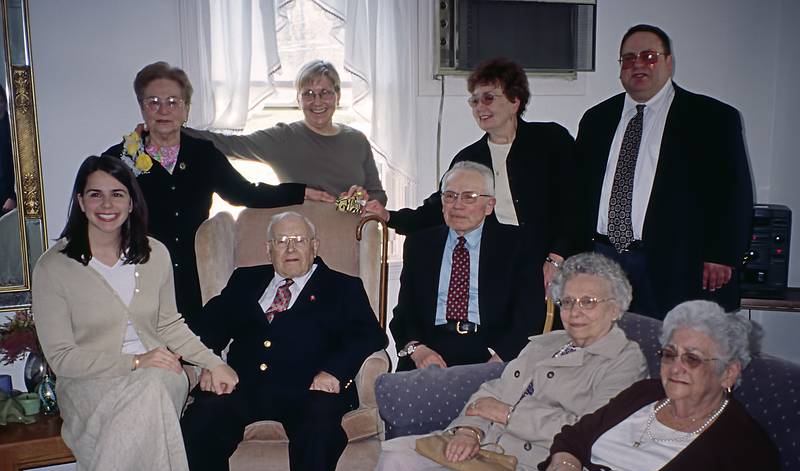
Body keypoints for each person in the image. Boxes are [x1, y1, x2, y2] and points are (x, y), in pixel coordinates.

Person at [438, 301, 778, 471]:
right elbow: (571, 438)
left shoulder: (745, 447)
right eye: (669, 354)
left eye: (692, 359)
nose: (676, 367)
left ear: (729, 373)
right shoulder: (644, 395)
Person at [365, 252, 649, 471]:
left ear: (615, 308)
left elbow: (589, 429)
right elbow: (492, 389)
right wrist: (469, 431)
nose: (575, 311)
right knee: (392, 459)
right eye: (568, 301)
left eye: (589, 302)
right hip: (486, 443)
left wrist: (510, 414)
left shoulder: (624, 361)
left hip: (533, 465)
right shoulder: (547, 343)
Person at [31, 155, 239, 471]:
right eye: (95, 194)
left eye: (117, 193)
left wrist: (213, 362)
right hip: (90, 381)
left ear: (131, 202)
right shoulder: (54, 266)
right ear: (80, 200)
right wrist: (136, 360)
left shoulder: (154, 254)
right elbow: (61, 358)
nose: (106, 203)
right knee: (148, 407)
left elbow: (169, 324)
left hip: (161, 372)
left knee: (153, 385)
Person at [181, 211, 387, 471]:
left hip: (309, 389)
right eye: (281, 241)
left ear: (314, 246)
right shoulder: (244, 280)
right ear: (269, 249)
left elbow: (370, 336)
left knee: (319, 429)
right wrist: (208, 362)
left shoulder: (342, 287)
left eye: (299, 240)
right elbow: (207, 327)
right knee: (200, 423)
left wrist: (334, 372)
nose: (290, 248)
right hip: (244, 386)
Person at [105, 61, 333, 323]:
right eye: (153, 102)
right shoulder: (120, 159)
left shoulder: (203, 154)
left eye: (173, 101)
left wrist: (302, 192)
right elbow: (100, 214)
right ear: (142, 108)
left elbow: (245, 193)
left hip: (194, 277)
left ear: (186, 109)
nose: (163, 110)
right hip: (141, 274)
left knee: (194, 344)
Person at [576, 24, 753, 319]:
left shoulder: (712, 118)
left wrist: (722, 255)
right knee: (609, 351)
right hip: (603, 258)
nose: (638, 65)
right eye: (629, 58)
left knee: (672, 350)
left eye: (649, 56)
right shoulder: (597, 119)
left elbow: (733, 192)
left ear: (669, 62)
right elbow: (579, 192)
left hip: (675, 261)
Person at [365, 57, 579, 287]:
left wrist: (556, 258)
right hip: (499, 268)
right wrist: (389, 216)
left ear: (515, 101)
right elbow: (439, 210)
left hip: (556, 263)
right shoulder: (469, 159)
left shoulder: (551, 140)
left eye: (488, 98)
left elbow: (576, 204)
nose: (480, 108)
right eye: (474, 101)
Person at [391, 161, 542, 370]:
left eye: (469, 197)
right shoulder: (420, 244)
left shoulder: (517, 245)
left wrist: (500, 360)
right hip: (429, 348)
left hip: (491, 349)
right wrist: (417, 350)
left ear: (489, 205)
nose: (457, 205)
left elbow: (530, 314)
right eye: (450, 196)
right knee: (396, 393)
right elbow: (405, 312)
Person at [187, 59, 386, 205]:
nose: (317, 101)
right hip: (300, 242)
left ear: (337, 96)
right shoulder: (283, 138)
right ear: (298, 100)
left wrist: (359, 201)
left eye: (325, 93)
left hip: (350, 237)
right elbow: (228, 144)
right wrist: (170, 130)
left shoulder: (357, 140)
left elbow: (378, 196)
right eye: (308, 94)